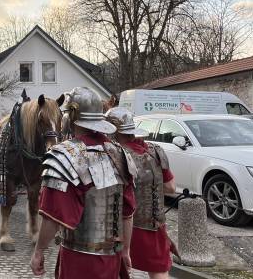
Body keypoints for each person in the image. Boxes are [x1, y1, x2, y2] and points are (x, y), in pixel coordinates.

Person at [30, 87, 137, 279]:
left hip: (78, 259)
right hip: (112, 257)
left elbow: (53, 216)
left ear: (70, 116)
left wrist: (39, 250)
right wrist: (126, 251)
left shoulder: (65, 156)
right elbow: (127, 214)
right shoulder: (120, 154)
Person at [106, 107, 176, 279]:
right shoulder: (155, 151)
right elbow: (171, 187)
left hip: (120, 226)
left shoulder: (113, 155)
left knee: (115, 271)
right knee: (159, 271)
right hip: (154, 224)